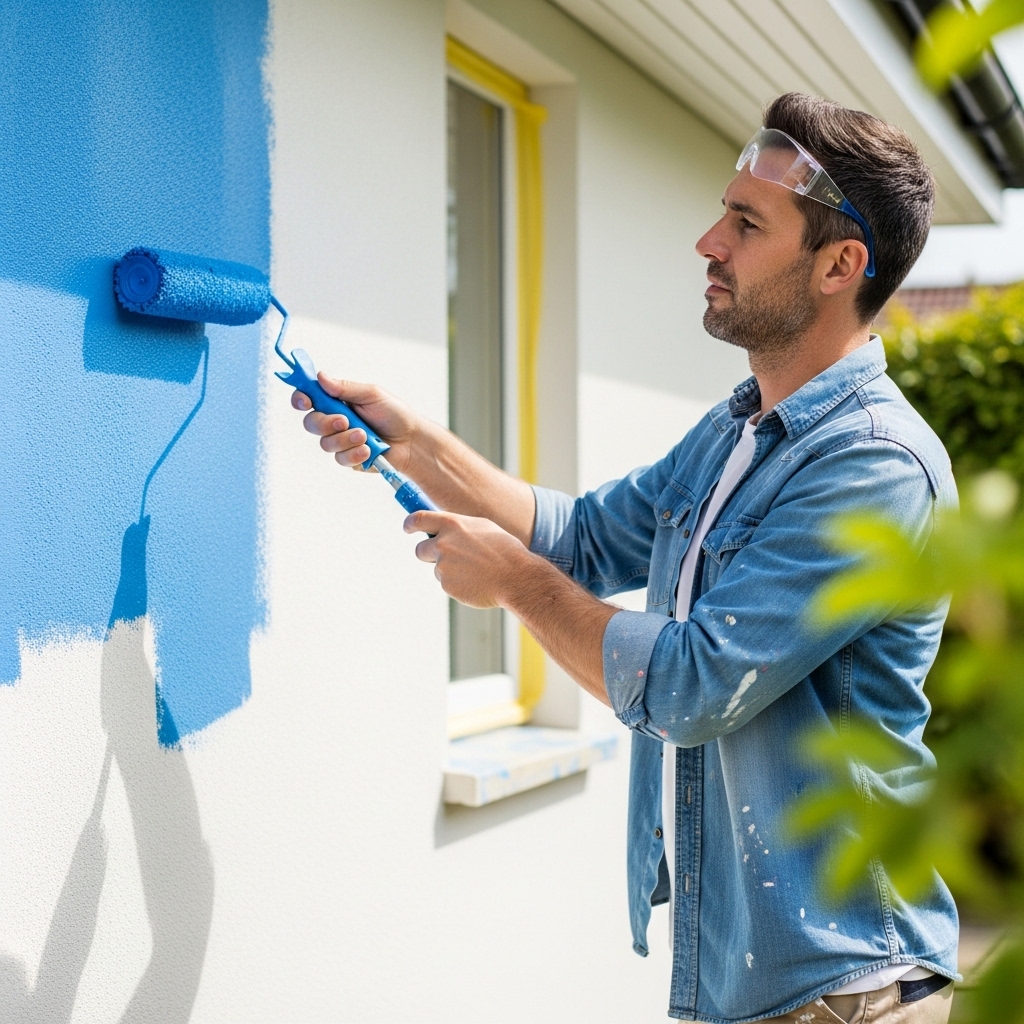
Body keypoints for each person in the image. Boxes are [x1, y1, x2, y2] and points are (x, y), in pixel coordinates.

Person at [292, 93, 958, 1023]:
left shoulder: (872, 466)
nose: (709, 243)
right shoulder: (735, 432)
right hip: (750, 980)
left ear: (838, 265)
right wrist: (415, 444)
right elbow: (584, 538)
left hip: (843, 985)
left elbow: (693, 685)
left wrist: (513, 584)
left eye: (747, 224)